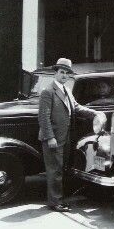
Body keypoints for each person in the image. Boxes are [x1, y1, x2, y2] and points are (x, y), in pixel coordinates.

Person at [38, 58, 98, 212]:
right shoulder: (48, 92)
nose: (64, 76)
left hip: (65, 138)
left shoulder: (67, 91)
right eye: (62, 72)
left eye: (67, 73)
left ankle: (58, 199)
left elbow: (77, 108)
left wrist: (94, 113)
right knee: (54, 170)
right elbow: (43, 117)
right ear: (56, 73)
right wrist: (50, 137)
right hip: (53, 139)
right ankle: (55, 202)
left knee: (61, 169)